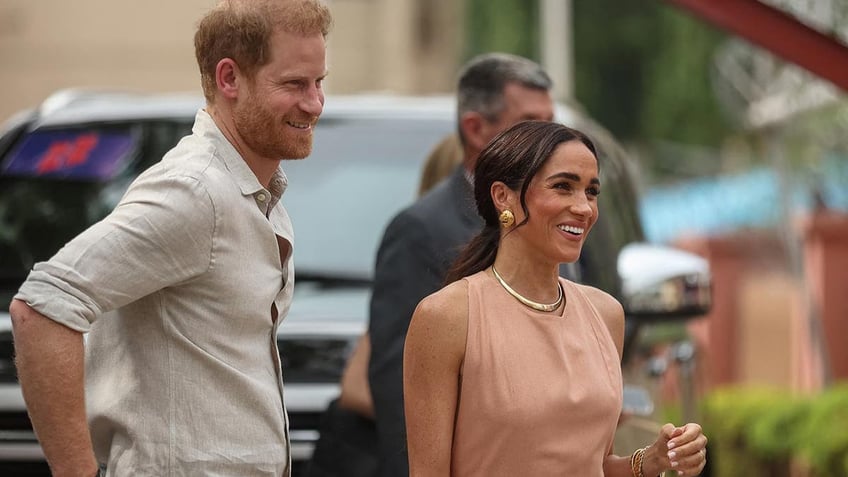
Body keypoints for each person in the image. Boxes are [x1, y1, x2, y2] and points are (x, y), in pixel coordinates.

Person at [8, 0, 331, 475]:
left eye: (319, 82)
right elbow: (41, 307)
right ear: (229, 79)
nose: (315, 103)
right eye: (293, 84)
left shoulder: (251, 193)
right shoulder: (195, 191)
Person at [403, 120, 708, 476]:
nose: (584, 208)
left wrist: (650, 461)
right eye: (563, 187)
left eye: (591, 192)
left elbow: (594, 465)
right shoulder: (447, 317)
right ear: (503, 196)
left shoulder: (605, 314)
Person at [367, 52, 558, 477]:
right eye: (530, 123)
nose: (550, 140)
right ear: (475, 128)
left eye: (552, 122)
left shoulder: (566, 219)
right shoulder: (422, 230)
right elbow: (401, 389)